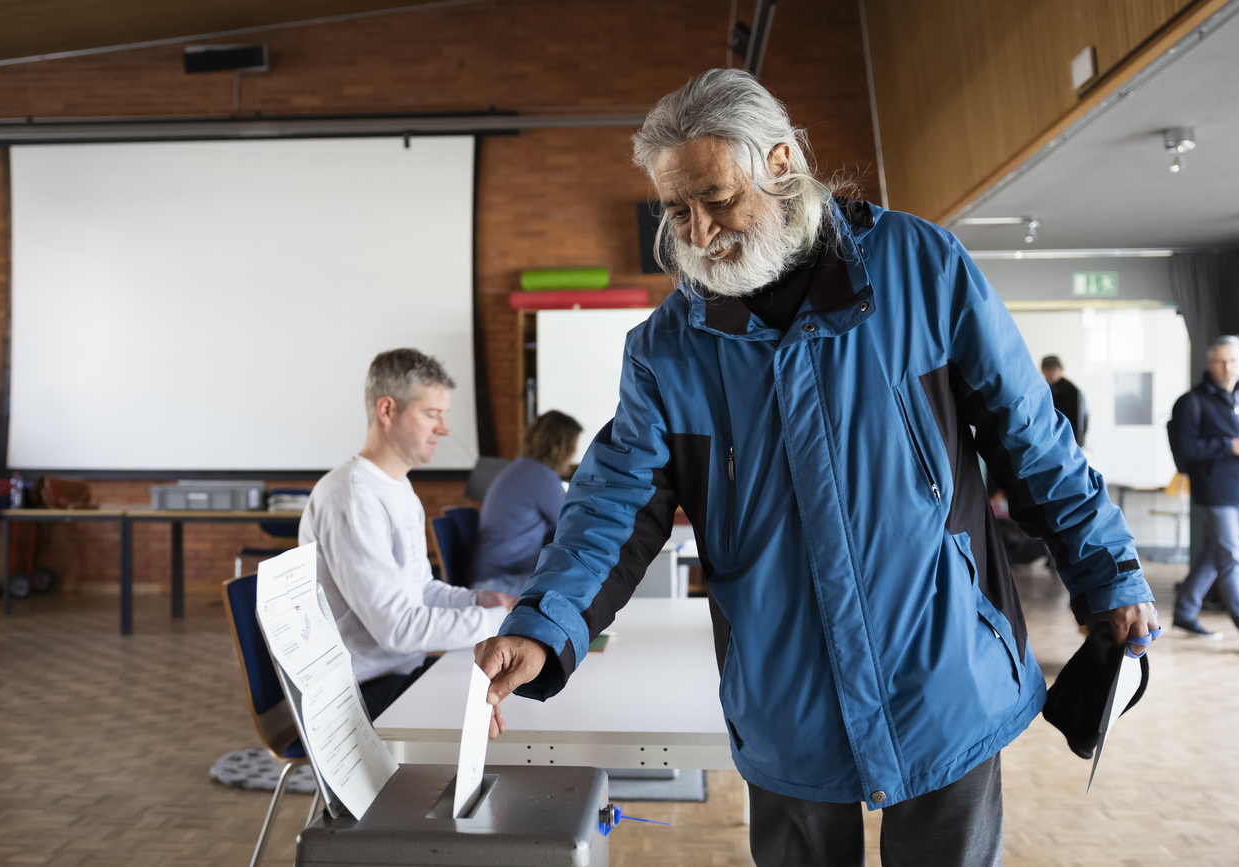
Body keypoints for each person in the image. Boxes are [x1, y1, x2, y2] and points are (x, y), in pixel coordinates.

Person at [473, 70, 1156, 867]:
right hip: (783, 701)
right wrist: (544, 622)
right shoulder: (667, 350)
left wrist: (1109, 571)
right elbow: (610, 504)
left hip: (944, 675)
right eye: (675, 209)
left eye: (717, 198)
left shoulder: (919, 269)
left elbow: (1032, 439)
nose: (696, 232)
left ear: (783, 163)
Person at [299, 348, 515, 718]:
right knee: (507, 695)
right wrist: (502, 623)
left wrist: (480, 602)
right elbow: (398, 629)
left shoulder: (397, 487)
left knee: (512, 685)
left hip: (396, 674)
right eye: (432, 414)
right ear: (387, 410)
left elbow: (420, 590)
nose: (444, 428)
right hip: (357, 696)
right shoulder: (351, 497)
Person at [1170, 336, 1239, 650]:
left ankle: (1185, 611)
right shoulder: (1192, 401)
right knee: (1230, 557)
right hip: (1215, 490)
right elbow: (1187, 448)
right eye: (1221, 361)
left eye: (1234, 360)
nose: (1228, 367)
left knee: (1214, 553)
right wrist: (1231, 446)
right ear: (1209, 363)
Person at [467, 410, 583, 595]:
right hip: (499, 583)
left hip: (491, 577)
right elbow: (571, 527)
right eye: (574, 447)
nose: (574, 455)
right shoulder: (542, 476)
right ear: (562, 447)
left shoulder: (519, 468)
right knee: (578, 588)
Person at [1041, 355, 1088, 446]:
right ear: (1043, 371)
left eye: (1054, 369)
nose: (1051, 372)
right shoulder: (1041, 389)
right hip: (1048, 441)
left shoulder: (1073, 391)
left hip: (1067, 442)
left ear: (1061, 369)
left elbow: (1080, 424)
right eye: (1047, 369)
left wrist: (1076, 445)